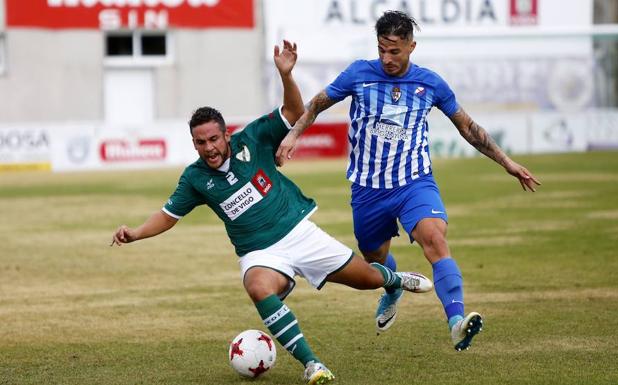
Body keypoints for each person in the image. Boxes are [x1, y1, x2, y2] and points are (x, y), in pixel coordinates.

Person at [111, 40, 433, 384]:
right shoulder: (194, 178)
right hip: (259, 252)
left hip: (299, 232)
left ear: (226, 135)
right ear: (194, 144)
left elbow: (294, 114)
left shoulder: (253, 139)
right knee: (258, 287)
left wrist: (286, 75)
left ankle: (395, 281)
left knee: (368, 279)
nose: (210, 148)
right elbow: (168, 215)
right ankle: (313, 365)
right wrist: (135, 233)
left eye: (214, 139)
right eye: (201, 143)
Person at [275, 11, 541, 351]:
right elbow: (316, 105)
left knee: (435, 239)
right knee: (374, 258)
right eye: (382, 50)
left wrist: (507, 162)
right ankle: (392, 287)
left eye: (395, 51)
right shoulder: (359, 73)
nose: (387, 58)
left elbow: (469, 128)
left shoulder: (430, 83)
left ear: (411, 47)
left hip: (414, 182)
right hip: (368, 189)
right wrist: (293, 136)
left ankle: (457, 322)